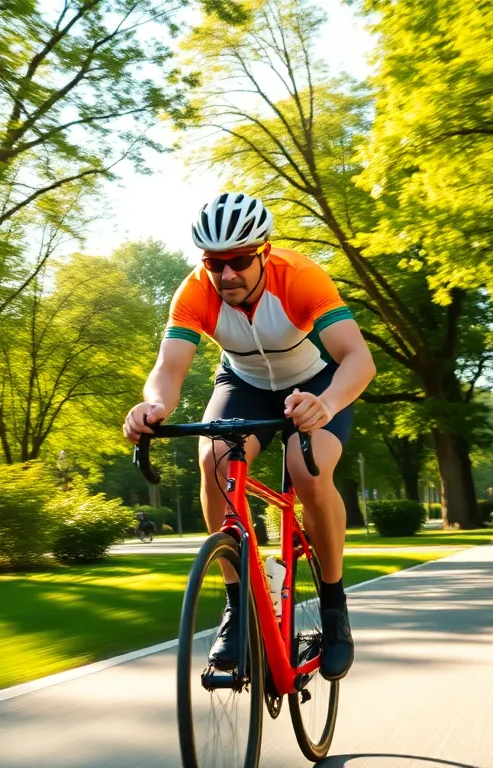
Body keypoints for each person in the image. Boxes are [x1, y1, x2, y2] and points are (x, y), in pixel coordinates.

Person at [122, 191, 375, 680]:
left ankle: (334, 606)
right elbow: (169, 370)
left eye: (239, 260)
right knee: (213, 458)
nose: (227, 274)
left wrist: (326, 404)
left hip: (317, 383)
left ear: (264, 251)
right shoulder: (195, 291)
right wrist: (153, 405)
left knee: (307, 471)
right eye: (215, 263)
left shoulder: (300, 277)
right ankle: (238, 605)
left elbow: (357, 359)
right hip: (245, 384)